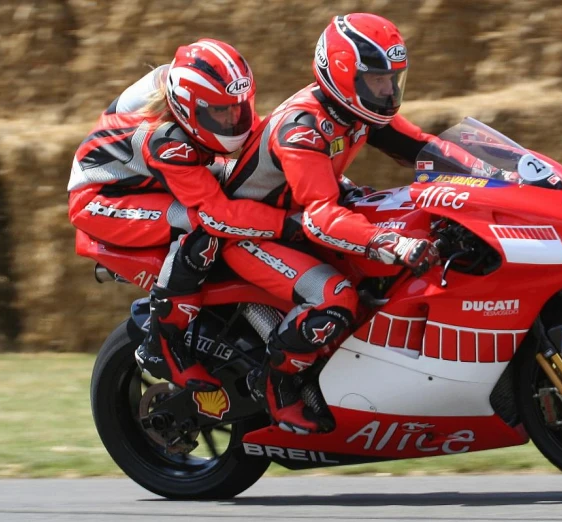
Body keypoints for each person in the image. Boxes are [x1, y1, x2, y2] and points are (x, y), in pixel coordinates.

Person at [219, 13, 496, 434]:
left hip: (296, 220)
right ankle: (277, 384)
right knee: (337, 299)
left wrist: (494, 175)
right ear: (344, 77)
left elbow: (421, 147)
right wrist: (393, 243)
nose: (388, 91)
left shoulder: (357, 110)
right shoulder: (303, 128)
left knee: (412, 222)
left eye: (393, 80)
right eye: (378, 80)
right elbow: (320, 217)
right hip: (254, 232)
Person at [68, 39, 301, 392]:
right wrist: (290, 226)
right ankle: (162, 344)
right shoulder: (168, 142)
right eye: (219, 112)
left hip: (144, 179)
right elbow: (218, 213)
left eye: (237, 108)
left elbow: (261, 139)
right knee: (204, 226)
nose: (232, 119)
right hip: (104, 198)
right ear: (189, 108)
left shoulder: (185, 90)